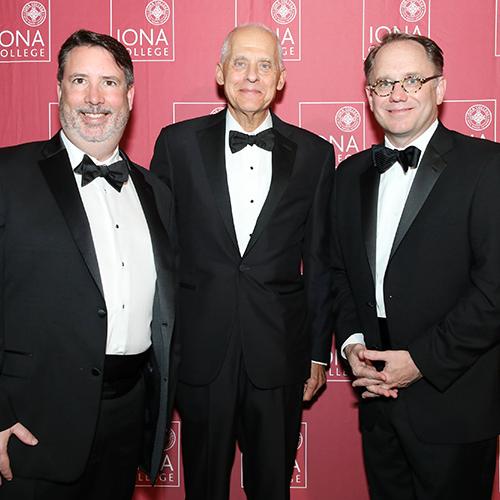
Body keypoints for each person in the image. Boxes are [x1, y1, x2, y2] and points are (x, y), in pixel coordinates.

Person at [151, 23, 334, 500]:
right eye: (240, 63)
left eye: (265, 65)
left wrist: (317, 352)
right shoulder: (176, 144)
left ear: (280, 79)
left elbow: (318, 262)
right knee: (204, 487)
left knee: (272, 488)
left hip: (279, 354)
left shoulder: (315, 154)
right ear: (220, 72)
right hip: (201, 351)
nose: (251, 75)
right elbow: (158, 255)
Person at [0, 29, 176, 500]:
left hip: (128, 416)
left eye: (109, 83)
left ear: (130, 95)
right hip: (32, 423)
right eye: (80, 81)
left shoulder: (156, 192)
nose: (94, 98)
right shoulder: (8, 175)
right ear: (59, 89)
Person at [332, 32, 500, 500]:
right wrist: (353, 346)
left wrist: (420, 362)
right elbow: (342, 275)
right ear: (368, 97)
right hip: (377, 401)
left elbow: (494, 292)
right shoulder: (349, 175)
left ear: (440, 89)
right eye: (383, 84)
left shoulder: (488, 166)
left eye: (411, 80)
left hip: (454, 403)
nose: (397, 94)